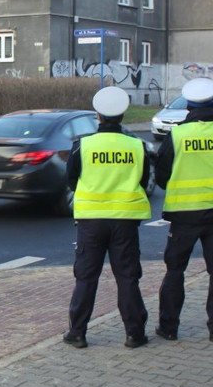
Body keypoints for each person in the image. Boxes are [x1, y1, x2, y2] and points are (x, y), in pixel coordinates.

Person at [153, 77, 213, 343]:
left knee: (175, 271)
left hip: (183, 215)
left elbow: (162, 175)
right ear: (212, 104)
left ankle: (168, 327)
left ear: (189, 106)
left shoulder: (178, 135)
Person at [62, 86, 152, 349]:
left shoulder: (83, 145)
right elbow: (144, 182)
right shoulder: (137, 146)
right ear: (123, 116)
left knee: (86, 278)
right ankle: (134, 334)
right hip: (125, 220)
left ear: (97, 116)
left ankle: (77, 333)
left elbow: (71, 180)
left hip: (91, 221)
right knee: (127, 277)